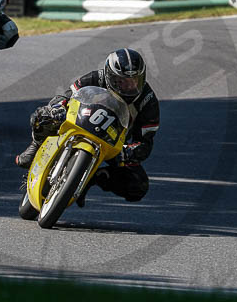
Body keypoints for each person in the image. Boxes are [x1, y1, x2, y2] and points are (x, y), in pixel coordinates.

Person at [16, 48, 160, 204]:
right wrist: (57, 107)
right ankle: (35, 146)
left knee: (138, 186)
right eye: (121, 81)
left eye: (134, 81)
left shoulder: (148, 100)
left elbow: (146, 141)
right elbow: (66, 95)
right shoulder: (96, 78)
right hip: (80, 122)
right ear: (109, 75)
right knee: (43, 115)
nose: (129, 86)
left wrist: (131, 151)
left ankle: (95, 177)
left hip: (113, 143)